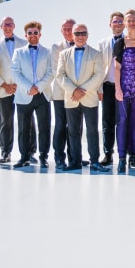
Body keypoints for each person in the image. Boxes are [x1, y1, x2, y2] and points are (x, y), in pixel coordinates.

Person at [56, 23, 109, 172]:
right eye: (77, 33)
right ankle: (75, 161)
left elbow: (99, 75)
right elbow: (60, 75)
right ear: (72, 35)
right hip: (71, 98)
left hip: (89, 97)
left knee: (92, 130)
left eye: (83, 33)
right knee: (73, 131)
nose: (80, 36)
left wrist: (83, 90)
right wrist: (74, 90)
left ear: (88, 35)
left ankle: (94, 162)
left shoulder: (96, 53)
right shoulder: (63, 54)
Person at [11, 21, 53, 168]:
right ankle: (24, 156)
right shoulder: (18, 52)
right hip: (24, 94)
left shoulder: (47, 52)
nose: (33, 35)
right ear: (26, 35)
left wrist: (39, 87)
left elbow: (50, 73)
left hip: (42, 95)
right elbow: (15, 72)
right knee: (23, 129)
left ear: (40, 34)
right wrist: (29, 87)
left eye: (35, 33)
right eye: (30, 33)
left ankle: (43, 157)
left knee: (44, 127)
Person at [113, 9, 135, 172]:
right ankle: (121, 158)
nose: (132, 23)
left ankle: (134, 156)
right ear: (125, 24)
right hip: (124, 87)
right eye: (129, 20)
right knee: (122, 121)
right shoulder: (120, 43)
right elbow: (117, 67)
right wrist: (117, 89)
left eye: (134, 20)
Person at [0, 16, 26, 164]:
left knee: (27, 121)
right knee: (6, 121)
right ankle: (6, 153)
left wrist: (20, 84)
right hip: (3, 89)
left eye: (10, 24)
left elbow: (28, 65)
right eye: (5, 25)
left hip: (21, 89)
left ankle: (29, 152)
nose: (8, 27)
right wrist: (4, 85)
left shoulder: (24, 43)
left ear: (14, 26)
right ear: (1, 26)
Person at [96, 11, 125, 166]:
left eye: (121, 22)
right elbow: (99, 68)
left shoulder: (129, 41)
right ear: (110, 24)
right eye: (115, 22)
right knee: (107, 122)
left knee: (123, 121)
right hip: (107, 87)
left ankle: (123, 154)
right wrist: (99, 88)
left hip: (124, 88)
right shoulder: (102, 43)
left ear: (124, 24)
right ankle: (108, 154)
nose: (118, 24)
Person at [51, 18, 76, 170]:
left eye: (70, 28)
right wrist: (73, 89)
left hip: (77, 95)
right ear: (61, 31)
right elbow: (56, 72)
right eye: (64, 29)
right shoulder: (56, 47)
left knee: (74, 127)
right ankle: (59, 158)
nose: (67, 31)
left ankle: (74, 157)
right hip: (61, 94)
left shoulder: (83, 47)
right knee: (60, 126)